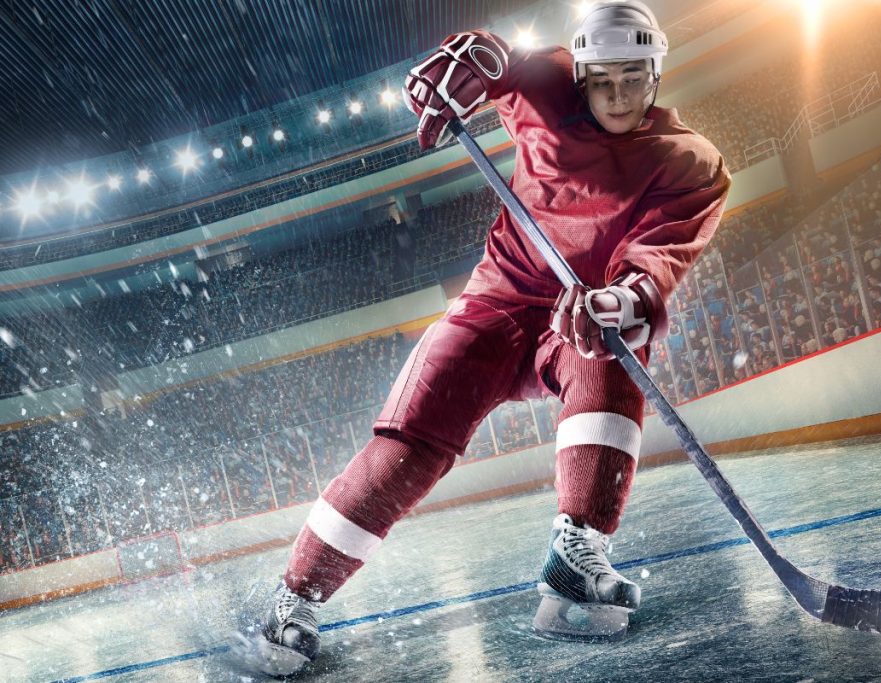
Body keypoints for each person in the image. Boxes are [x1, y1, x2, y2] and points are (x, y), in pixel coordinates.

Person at [234, 1, 730, 675]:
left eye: (634, 78)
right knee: (403, 453)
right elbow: (498, 59)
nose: (618, 94)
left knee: (613, 345)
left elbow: (657, 261)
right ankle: (294, 599)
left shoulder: (690, 162)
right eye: (604, 79)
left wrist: (619, 298)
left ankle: (576, 553)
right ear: (581, 73)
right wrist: (469, 60)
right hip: (494, 307)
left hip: (574, 317)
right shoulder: (551, 84)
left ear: (657, 73)